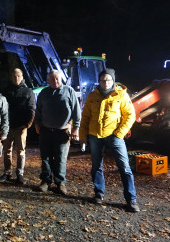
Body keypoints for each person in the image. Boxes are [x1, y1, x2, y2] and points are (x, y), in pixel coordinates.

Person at [79, 68, 139, 212]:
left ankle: (131, 199)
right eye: (102, 80)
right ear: (99, 81)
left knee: (124, 168)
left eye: (108, 80)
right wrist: (82, 137)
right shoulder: (92, 96)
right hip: (95, 136)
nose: (105, 82)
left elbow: (130, 115)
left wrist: (119, 133)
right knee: (96, 166)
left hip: (114, 136)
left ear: (113, 80)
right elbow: (85, 117)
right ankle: (99, 194)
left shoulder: (121, 95)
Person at [35, 70, 80, 195]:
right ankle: (45, 181)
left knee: (60, 158)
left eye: (57, 79)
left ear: (61, 79)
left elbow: (76, 111)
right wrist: (37, 124)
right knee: (46, 158)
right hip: (45, 130)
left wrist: (76, 128)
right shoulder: (43, 93)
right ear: (48, 80)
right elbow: (38, 110)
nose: (55, 81)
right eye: (52, 79)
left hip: (63, 131)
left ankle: (60, 183)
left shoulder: (69, 91)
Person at [0, 68, 36, 185]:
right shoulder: (5, 91)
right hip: (7, 126)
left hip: (21, 127)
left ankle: (20, 173)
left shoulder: (28, 92)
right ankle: (7, 172)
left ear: (22, 76)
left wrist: (27, 125)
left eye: (18, 76)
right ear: (11, 77)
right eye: (14, 76)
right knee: (7, 150)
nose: (16, 78)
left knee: (20, 151)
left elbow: (32, 109)